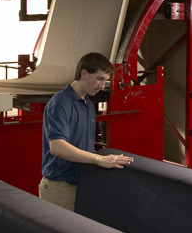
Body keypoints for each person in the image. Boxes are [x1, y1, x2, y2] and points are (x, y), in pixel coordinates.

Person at [39, 52, 133, 211]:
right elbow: (57, 147)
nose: (103, 86)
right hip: (60, 187)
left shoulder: (88, 104)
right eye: (100, 78)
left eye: (106, 81)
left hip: (81, 183)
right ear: (83, 74)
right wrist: (98, 159)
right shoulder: (60, 103)